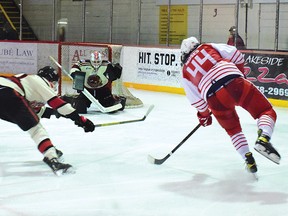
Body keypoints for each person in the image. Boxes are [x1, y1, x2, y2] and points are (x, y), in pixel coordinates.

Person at [180, 36, 281, 174]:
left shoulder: (185, 72)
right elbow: (235, 53)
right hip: (234, 82)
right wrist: (238, 73)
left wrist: (204, 117)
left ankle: (248, 160)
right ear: (196, 44)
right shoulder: (208, 46)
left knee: (233, 131)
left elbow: (197, 102)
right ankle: (264, 137)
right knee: (265, 111)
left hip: (214, 98)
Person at [0, 66, 95, 176]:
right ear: (51, 80)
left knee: (30, 121)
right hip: (8, 93)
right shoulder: (39, 81)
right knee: (36, 129)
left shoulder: (26, 82)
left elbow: (36, 111)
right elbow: (57, 104)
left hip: (5, 93)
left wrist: (59, 113)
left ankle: (49, 148)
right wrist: (80, 120)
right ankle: (52, 158)